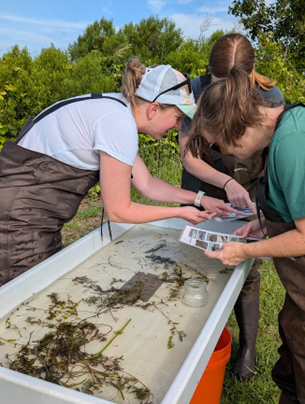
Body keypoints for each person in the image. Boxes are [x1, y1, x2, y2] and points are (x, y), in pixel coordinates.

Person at [0, 58, 240, 287]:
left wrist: (200, 199)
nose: (178, 126)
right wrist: (180, 214)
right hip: (19, 218)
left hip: (33, 214)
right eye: (177, 117)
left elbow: (146, 183)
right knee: (24, 296)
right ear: (154, 109)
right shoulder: (118, 122)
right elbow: (118, 210)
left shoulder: (118, 111)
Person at [186, 66, 305, 404]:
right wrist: (264, 224)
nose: (228, 155)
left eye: (221, 145)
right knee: (291, 366)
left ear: (237, 128)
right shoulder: (282, 134)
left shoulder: (293, 143)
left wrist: (244, 252)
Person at [179, 33, 284, 381]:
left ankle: (248, 347)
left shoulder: (271, 97)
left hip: (248, 183)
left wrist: (258, 200)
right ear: (209, 73)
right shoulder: (192, 90)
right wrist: (224, 182)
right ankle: (197, 340)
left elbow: (274, 157)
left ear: (252, 76)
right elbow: (188, 154)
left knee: (245, 265)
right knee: (197, 258)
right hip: (206, 184)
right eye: (218, 83)